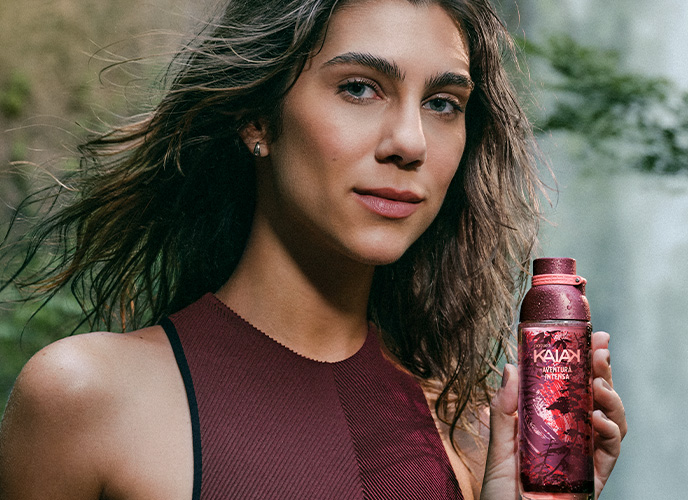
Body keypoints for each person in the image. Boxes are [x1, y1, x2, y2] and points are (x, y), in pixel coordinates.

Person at [0, 0, 627, 498]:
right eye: (359, 88)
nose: (410, 142)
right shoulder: (88, 397)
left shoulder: (463, 434)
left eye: (443, 104)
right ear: (258, 118)